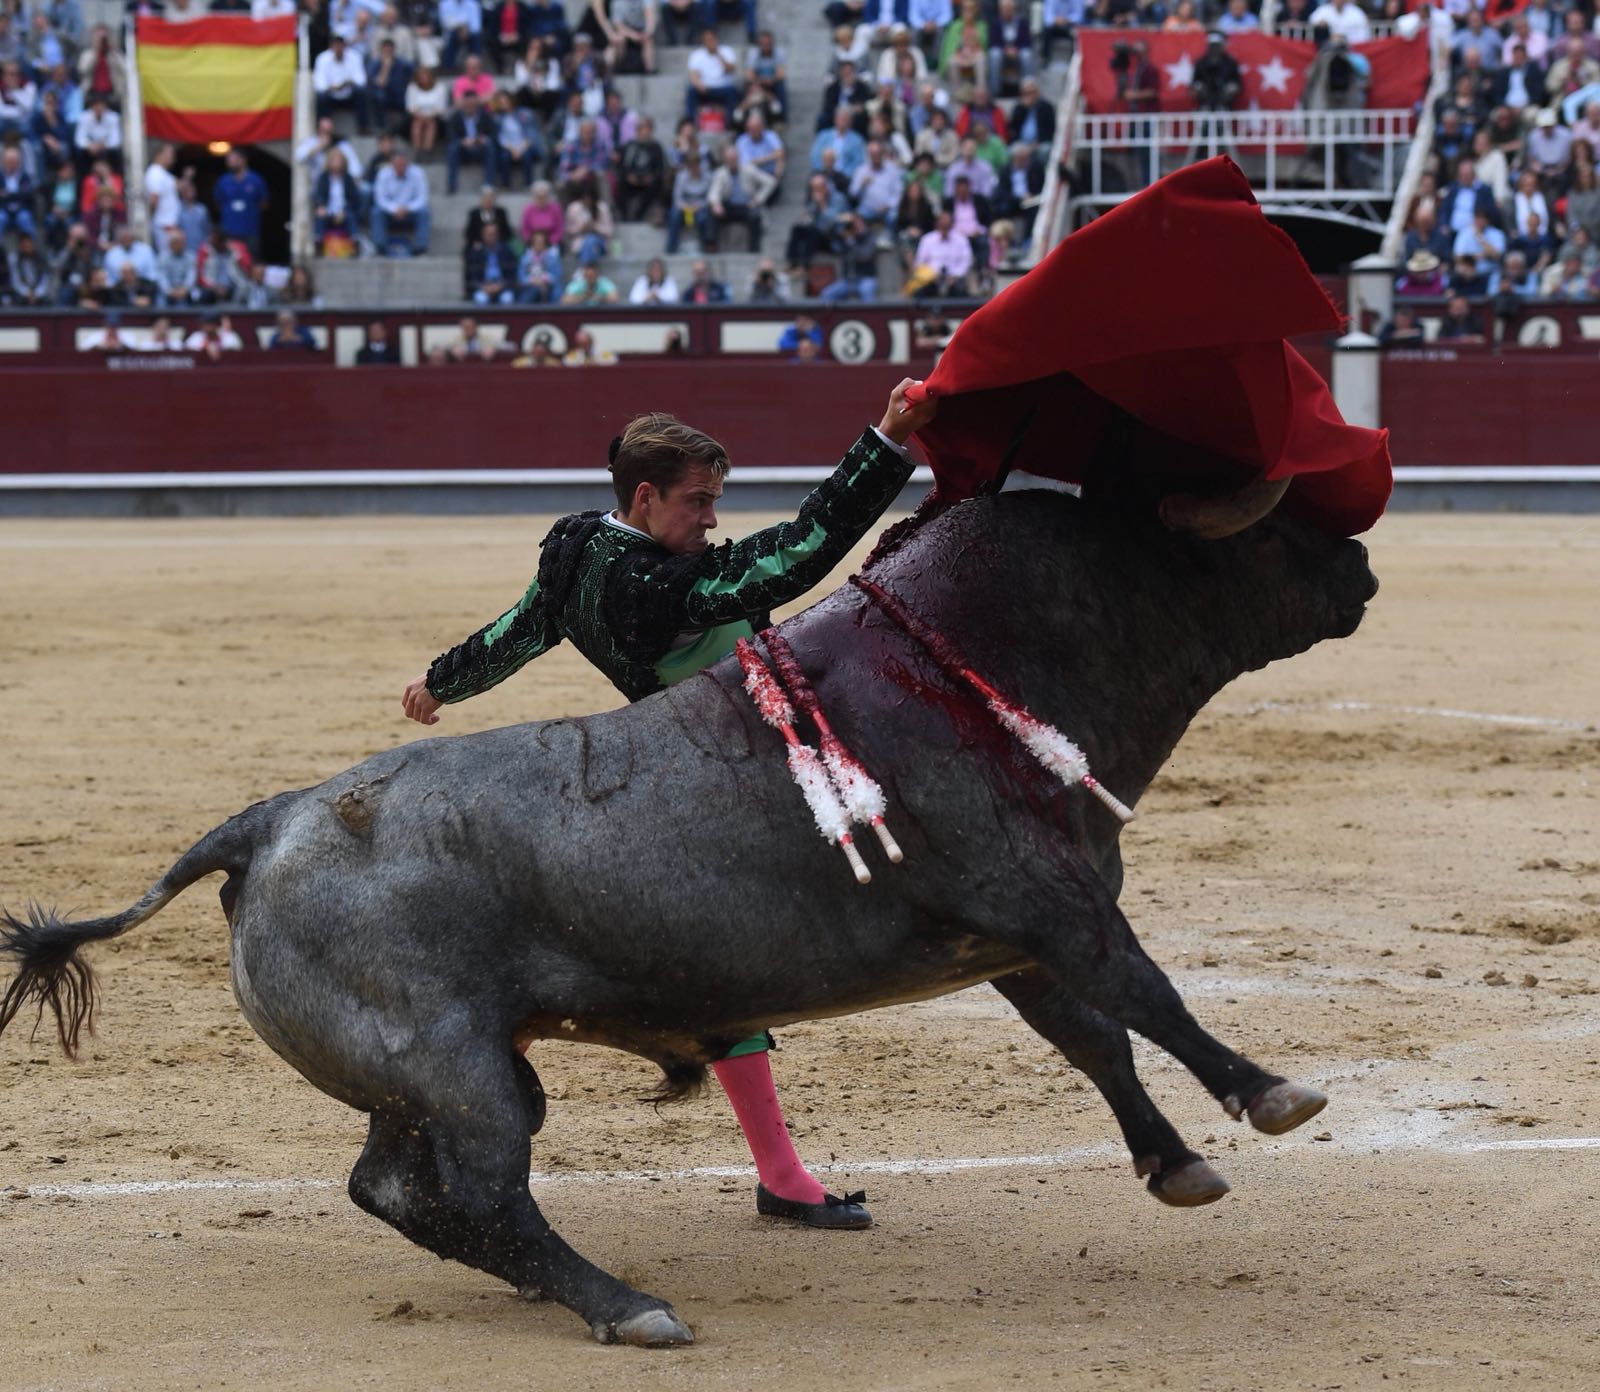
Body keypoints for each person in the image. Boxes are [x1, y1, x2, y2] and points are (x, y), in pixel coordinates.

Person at [402, 380, 939, 1229]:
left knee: (548, 984)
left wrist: (442, 681)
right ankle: (779, 1176)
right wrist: (885, 442)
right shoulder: (655, 585)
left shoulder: (579, 550)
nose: (711, 521)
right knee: (738, 966)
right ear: (645, 497)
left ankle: (778, 1175)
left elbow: (520, 627)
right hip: (733, 781)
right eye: (699, 503)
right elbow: (795, 555)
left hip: (679, 767)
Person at [372, 149, 431, 255]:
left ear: (408, 164)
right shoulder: (383, 174)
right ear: (392, 164)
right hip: (390, 213)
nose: (401, 168)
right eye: (398, 165)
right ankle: (379, 247)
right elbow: (380, 199)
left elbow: (422, 198)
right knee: (376, 212)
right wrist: (394, 209)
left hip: (410, 212)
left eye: (403, 165)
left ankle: (420, 248)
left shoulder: (418, 173)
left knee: (424, 212)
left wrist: (407, 208)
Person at [216, 148, 269, 258]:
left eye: (232, 159)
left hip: (250, 231)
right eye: (228, 159)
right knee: (229, 263)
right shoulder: (223, 181)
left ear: (243, 160)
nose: (229, 162)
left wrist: (250, 212)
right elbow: (218, 202)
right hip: (229, 231)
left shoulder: (256, 180)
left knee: (251, 262)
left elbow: (264, 203)